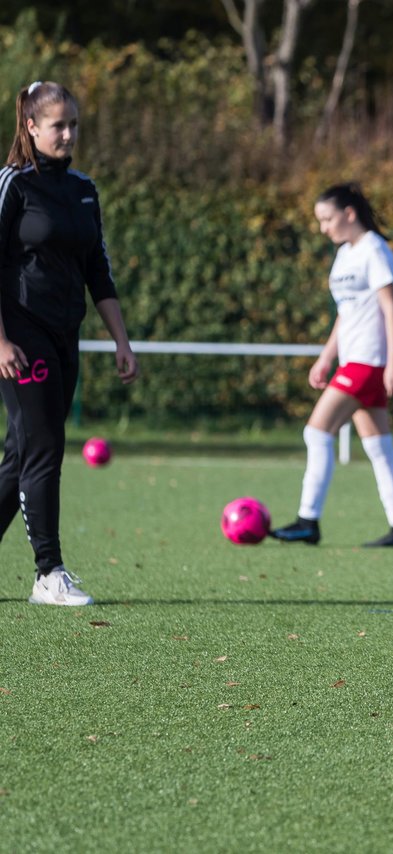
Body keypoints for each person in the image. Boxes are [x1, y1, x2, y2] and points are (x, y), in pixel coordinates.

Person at [0, 81, 139, 606]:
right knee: (45, 450)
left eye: (74, 124)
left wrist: (121, 340)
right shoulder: (13, 183)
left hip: (64, 336)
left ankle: (46, 571)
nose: (68, 133)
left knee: (20, 455)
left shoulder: (84, 188)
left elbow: (96, 270)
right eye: (58, 124)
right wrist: (1, 341)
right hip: (19, 334)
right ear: (32, 127)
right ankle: (48, 574)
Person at [271, 183, 393, 548]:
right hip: (352, 359)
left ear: (349, 214)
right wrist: (326, 355)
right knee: (379, 446)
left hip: (369, 361)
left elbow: (389, 309)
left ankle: (308, 520)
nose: (323, 228)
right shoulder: (344, 255)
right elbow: (345, 313)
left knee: (317, 432)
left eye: (328, 219)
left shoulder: (375, 250)